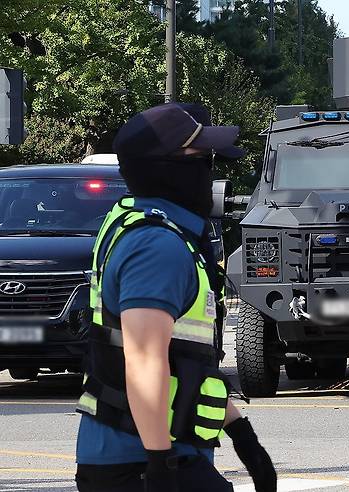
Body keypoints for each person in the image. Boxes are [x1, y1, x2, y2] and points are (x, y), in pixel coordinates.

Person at [75, 103, 277, 492]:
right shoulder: (157, 245)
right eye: (201, 157)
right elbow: (143, 358)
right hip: (138, 460)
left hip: (155, 452)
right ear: (167, 168)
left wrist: (240, 432)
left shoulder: (164, 234)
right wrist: (161, 465)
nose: (210, 169)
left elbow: (182, 360)